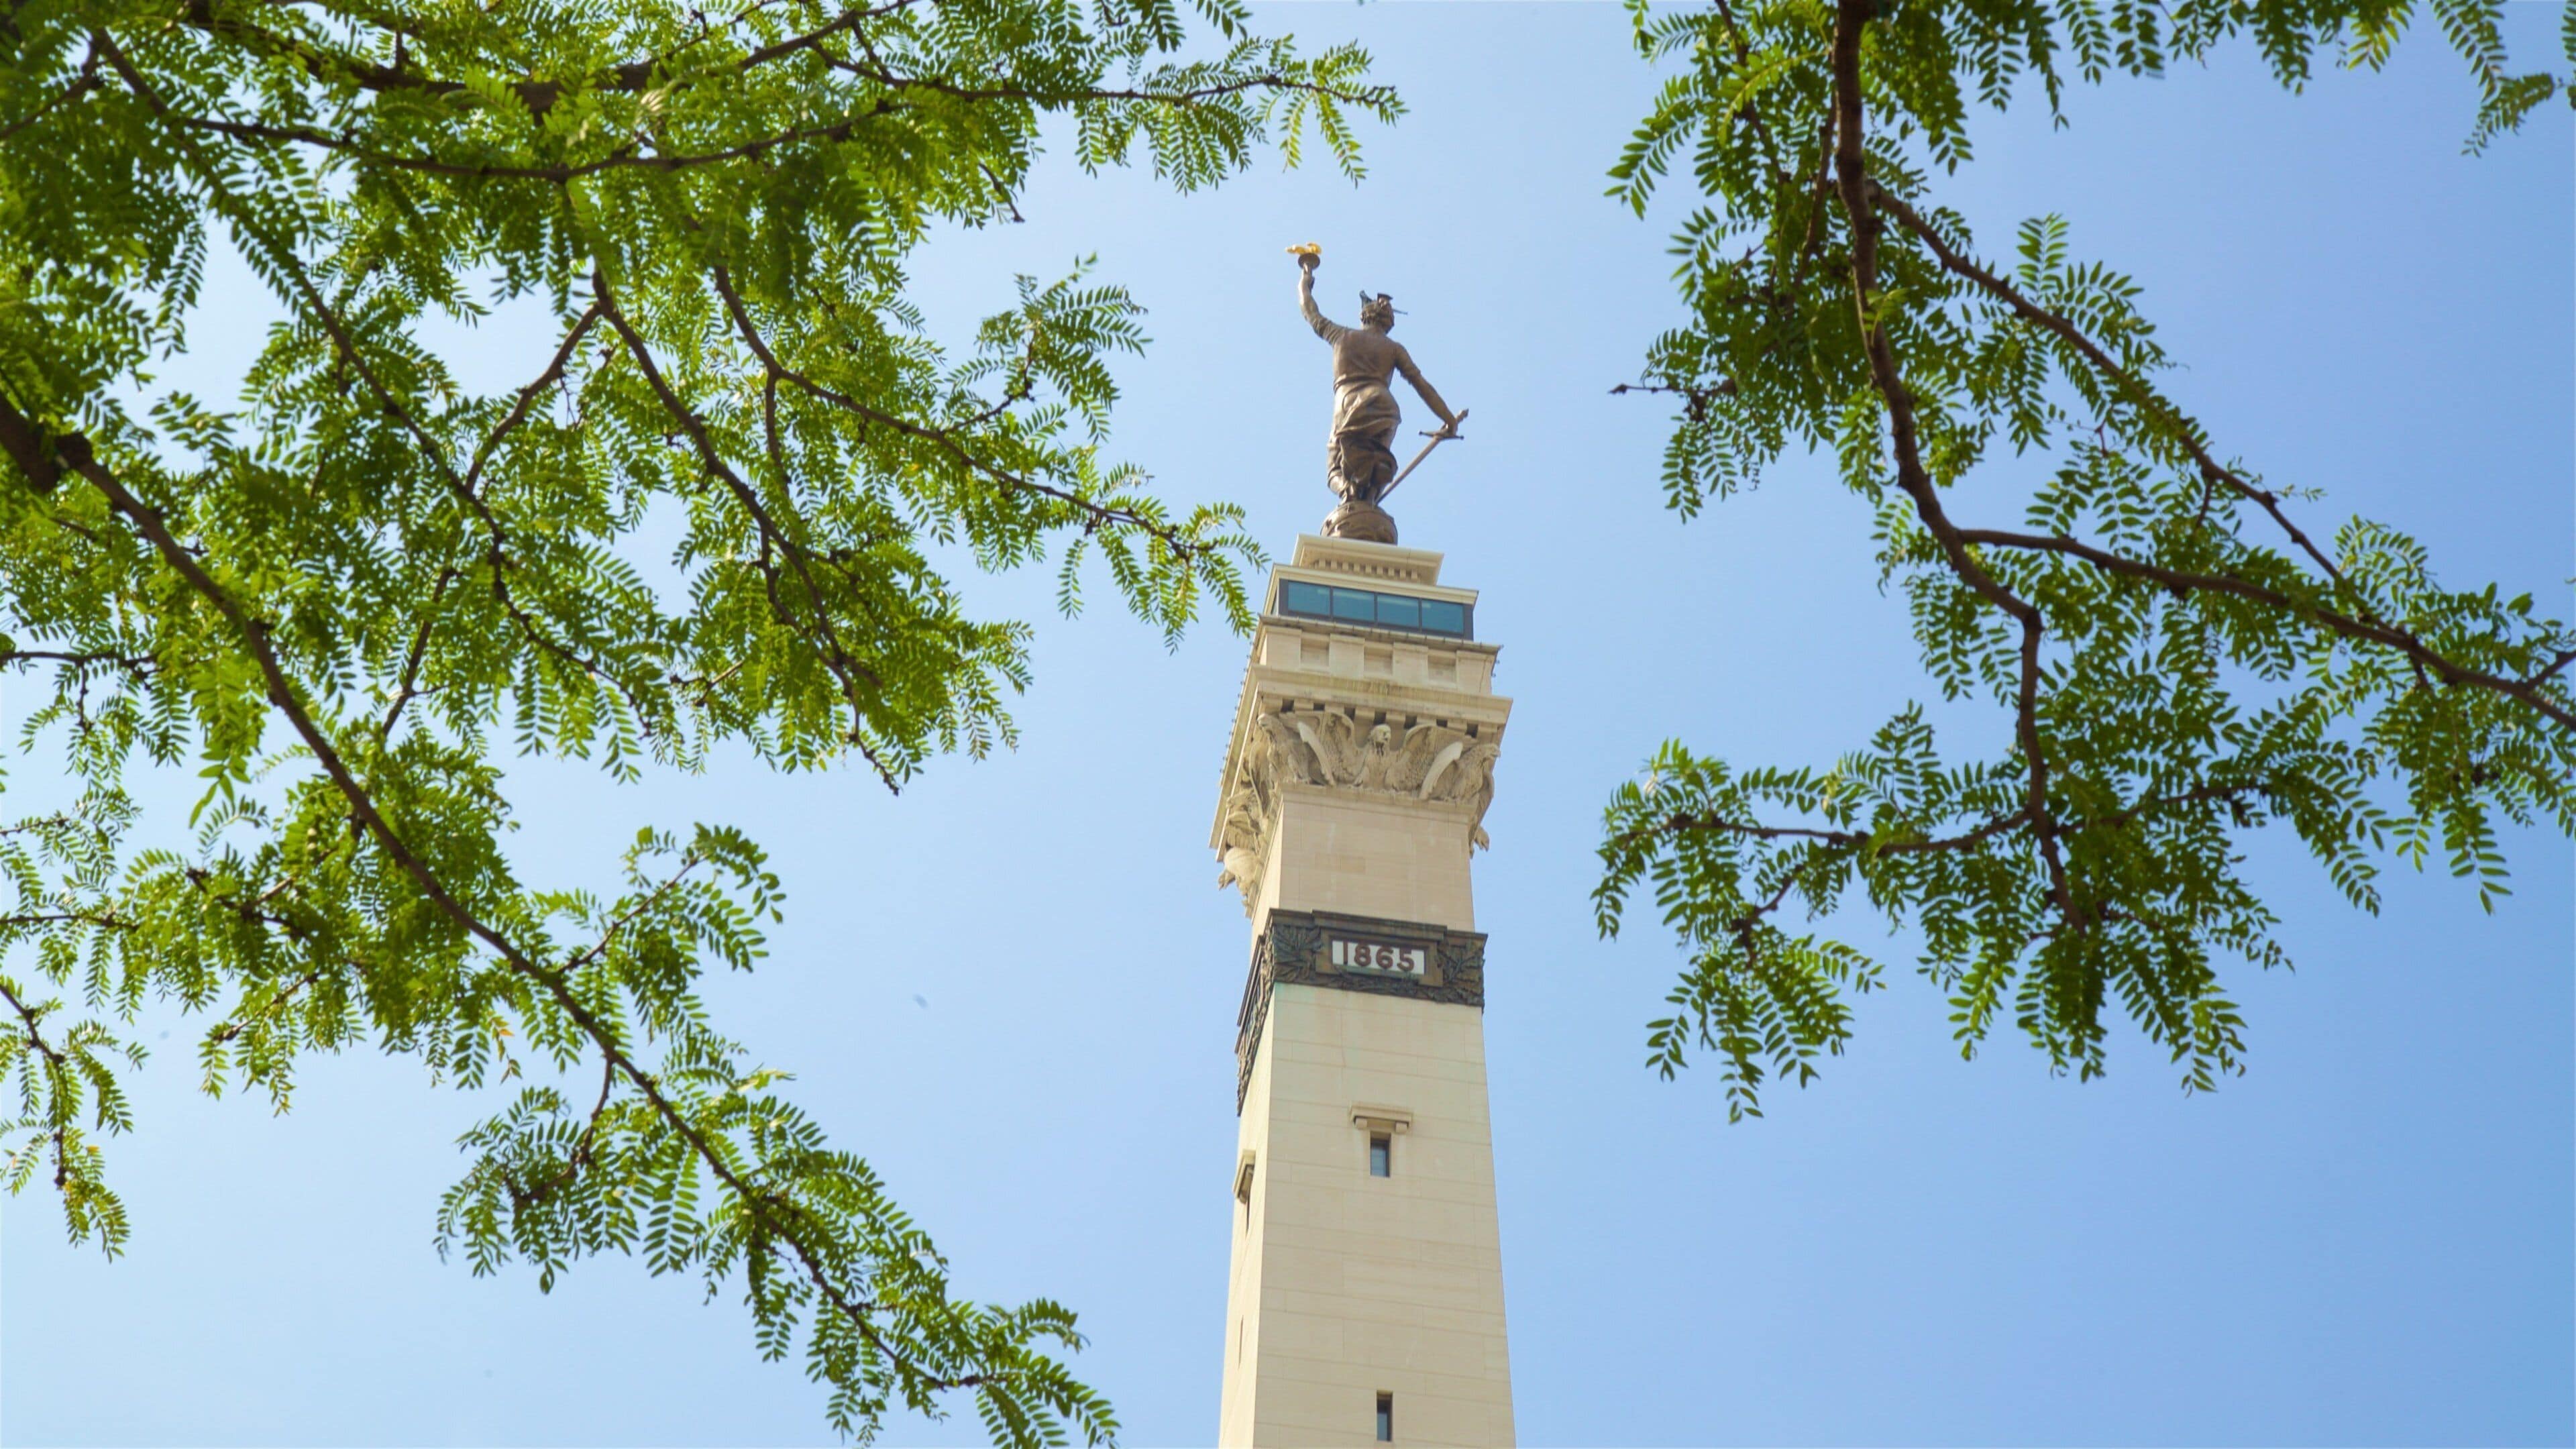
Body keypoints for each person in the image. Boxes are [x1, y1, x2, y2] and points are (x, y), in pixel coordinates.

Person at [1297, 251, 1457, 517]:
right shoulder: (1394, 349)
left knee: (1334, 469)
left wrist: (1306, 277)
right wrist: (1449, 419)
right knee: (1376, 466)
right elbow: (1422, 386)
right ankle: (1366, 505)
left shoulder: (1340, 336)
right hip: (1385, 407)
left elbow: (1309, 309)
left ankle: (1350, 497)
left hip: (1348, 403)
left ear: (1364, 317)